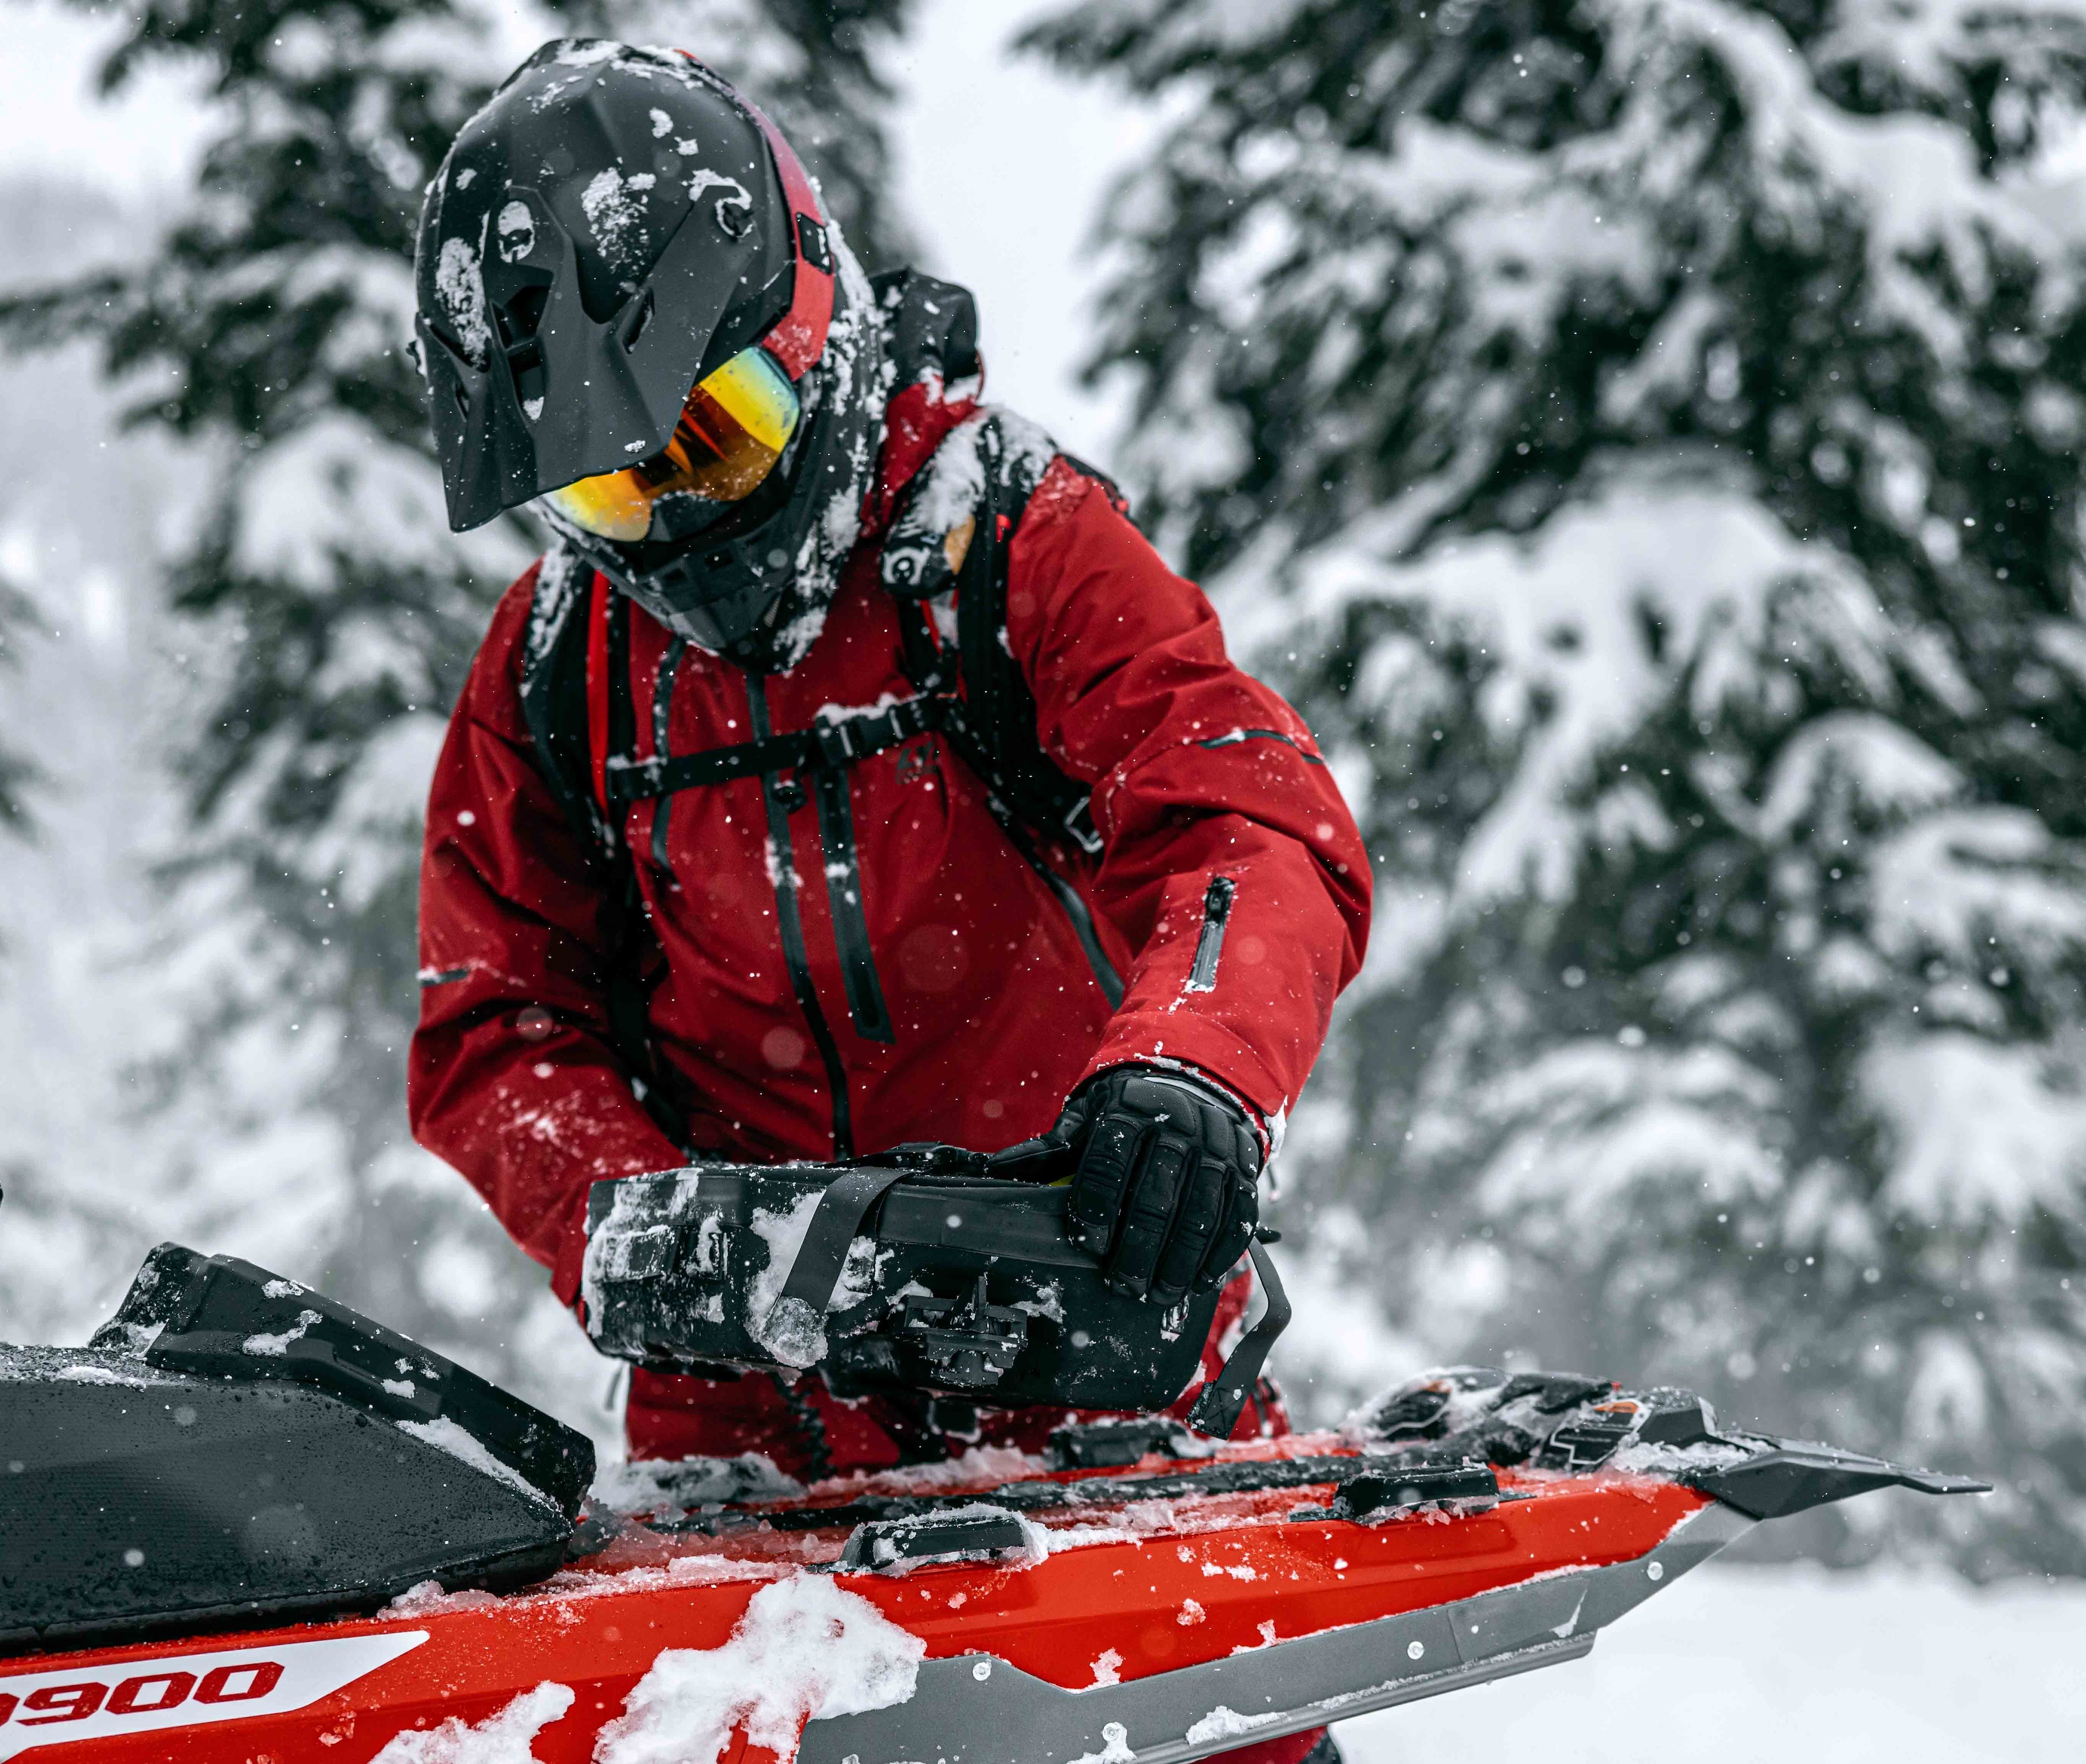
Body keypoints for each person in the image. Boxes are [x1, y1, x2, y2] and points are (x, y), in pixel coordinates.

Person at [405, 33, 1369, 1649]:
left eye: (718, 432)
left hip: (1087, 1357)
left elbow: (1248, 809)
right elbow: (491, 1021)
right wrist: (646, 1229)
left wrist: (1195, 1066)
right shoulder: (561, 665)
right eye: (618, 495)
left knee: (1203, 1731)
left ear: (814, 319)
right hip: (746, 1450)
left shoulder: (1009, 542)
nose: (685, 517)